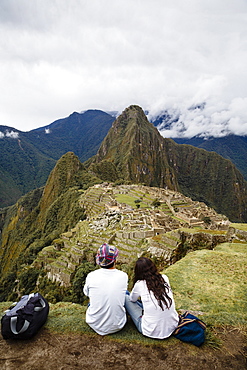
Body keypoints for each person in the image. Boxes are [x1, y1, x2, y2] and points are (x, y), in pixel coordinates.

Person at [125, 257, 179, 339]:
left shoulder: (140, 284)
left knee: (125, 296)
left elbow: (132, 299)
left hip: (150, 330)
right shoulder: (164, 278)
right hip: (172, 325)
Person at [83, 243, 128, 335]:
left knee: (93, 299)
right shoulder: (123, 276)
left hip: (94, 324)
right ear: (114, 260)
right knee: (126, 294)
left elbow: (86, 293)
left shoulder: (91, 276)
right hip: (118, 325)